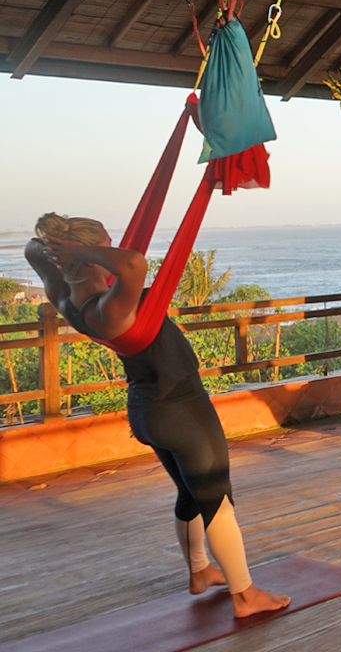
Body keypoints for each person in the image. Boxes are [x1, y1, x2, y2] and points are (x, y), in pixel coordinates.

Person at [27, 214, 289, 617]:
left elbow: (32, 251)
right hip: (181, 408)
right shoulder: (109, 309)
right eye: (106, 247)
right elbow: (133, 264)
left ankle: (200, 572)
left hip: (147, 409)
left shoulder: (64, 296)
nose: (114, 252)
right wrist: (76, 250)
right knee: (216, 497)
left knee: (190, 493)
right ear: (90, 257)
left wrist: (61, 252)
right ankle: (244, 595)